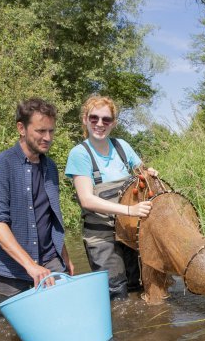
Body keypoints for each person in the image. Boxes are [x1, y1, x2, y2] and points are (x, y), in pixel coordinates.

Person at [0, 98, 75, 306]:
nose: (48, 137)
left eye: (51, 131)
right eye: (41, 131)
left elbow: (51, 217)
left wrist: (64, 256)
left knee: (64, 320)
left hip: (51, 263)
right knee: (14, 336)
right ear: (21, 128)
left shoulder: (50, 168)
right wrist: (31, 266)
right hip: (10, 272)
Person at [65, 95, 152, 300]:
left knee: (138, 287)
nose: (100, 124)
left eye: (106, 119)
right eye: (94, 118)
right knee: (115, 294)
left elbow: (142, 172)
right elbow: (86, 199)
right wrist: (130, 210)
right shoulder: (80, 153)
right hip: (101, 236)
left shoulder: (122, 146)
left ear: (113, 123)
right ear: (85, 119)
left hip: (129, 231)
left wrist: (149, 173)